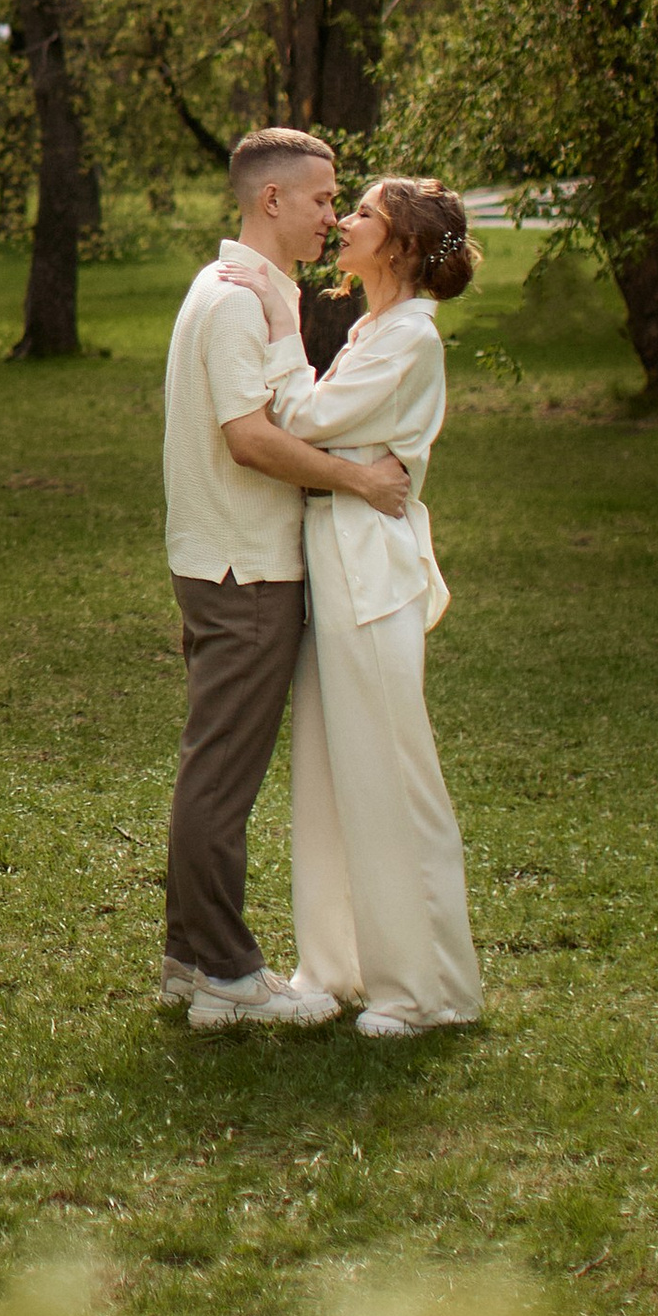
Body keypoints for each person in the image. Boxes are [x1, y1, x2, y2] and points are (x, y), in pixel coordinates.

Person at [220, 176, 485, 1040]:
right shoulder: (374, 327)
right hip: (333, 557)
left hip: (371, 570)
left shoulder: (410, 338)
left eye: (363, 213)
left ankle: (425, 990)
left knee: (389, 775)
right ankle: (336, 966)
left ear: (401, 245)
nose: (342, 222)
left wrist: (271, 318)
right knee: (333, 772)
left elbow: (306, 414)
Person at [161, 128, 413, 1032]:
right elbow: (251, 439)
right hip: (244, 569)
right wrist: (361, 479)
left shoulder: (249, 290)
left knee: (213, 770)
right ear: (271, 201)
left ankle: (191, 962)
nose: (332, 216)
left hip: (228, 560)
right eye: (320, 199)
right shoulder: (233, 302)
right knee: (221, 779)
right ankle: (228, 975)